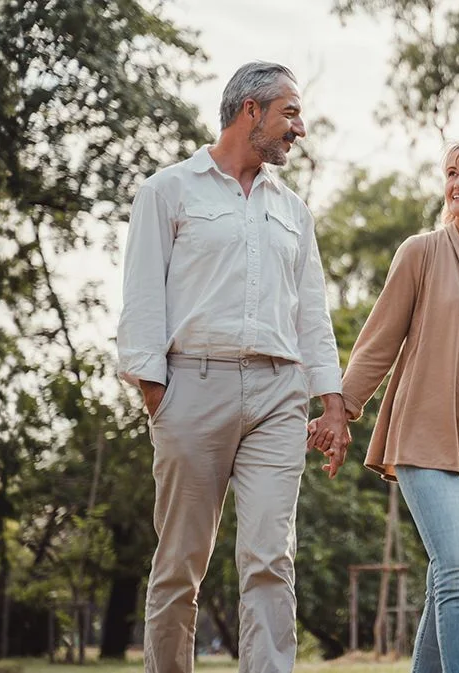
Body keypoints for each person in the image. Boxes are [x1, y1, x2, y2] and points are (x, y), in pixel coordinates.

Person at [117, 60, 351, 673]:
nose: (298, 129)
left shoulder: (294, 211)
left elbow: (312, 314)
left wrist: (331, 402)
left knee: (272, 558)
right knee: (180, 564)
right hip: (191, 388)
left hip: (279, 395)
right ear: (251, 111)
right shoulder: (167, 190)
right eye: (290, 113)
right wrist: (156, 395)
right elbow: (142, 302)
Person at [320, 138, 459, 673]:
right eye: (451, 172)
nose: (458, 182)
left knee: (448, 578)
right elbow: (378, 341)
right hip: (427, 434)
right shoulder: (420, 252)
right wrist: (341, 410)